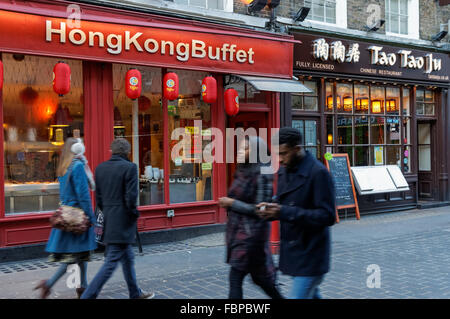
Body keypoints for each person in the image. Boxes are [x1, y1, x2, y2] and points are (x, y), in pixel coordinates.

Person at [257, 127, 336, 299]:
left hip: (311, 253)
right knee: (313, 295)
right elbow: (287, 199)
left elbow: (327, 216)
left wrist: (283, 211)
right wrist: (272, 207)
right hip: (295, 252)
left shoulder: (318, 173)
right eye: (278, 154)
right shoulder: (285, 169)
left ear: (297, 149)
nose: (281, 159)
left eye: (284, 154)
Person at [81, 138, 154, 299]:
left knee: (128, 258)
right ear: (127, 152)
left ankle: (135, 293)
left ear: (112, 151)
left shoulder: (100, 169)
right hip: (123, 222)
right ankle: (88, 295)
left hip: (109, 219)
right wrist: (134, 214)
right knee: (110, 263)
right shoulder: (130, 168)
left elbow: (98, 199)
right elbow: (131, 197)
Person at [219, 136, 283, 299]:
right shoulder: (242, 170)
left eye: (245, 148)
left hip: (251, 236)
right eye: (240, 148)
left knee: (236, 277)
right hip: (239, 233)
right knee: (262, 280)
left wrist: (232, 203)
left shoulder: (262, 173)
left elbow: (261, 209)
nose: (240, 151)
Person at [34, 137, 97, 299]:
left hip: (67, 214)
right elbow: (83, 195)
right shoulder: (77, 167)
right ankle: (48, 284)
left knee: (80, 252)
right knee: (73, 256)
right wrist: (91, 216)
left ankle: (83, 287)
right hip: (77, 216)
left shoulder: (64, 167)